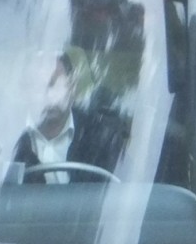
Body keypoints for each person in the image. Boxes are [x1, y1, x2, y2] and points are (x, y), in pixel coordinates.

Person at [9, 46, 127, 183]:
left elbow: (129, 186)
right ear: (25, 91)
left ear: (72, 87)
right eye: (37, 86)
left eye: (55, 84)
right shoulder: (7, 137)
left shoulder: (102, 138)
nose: (47, 95)